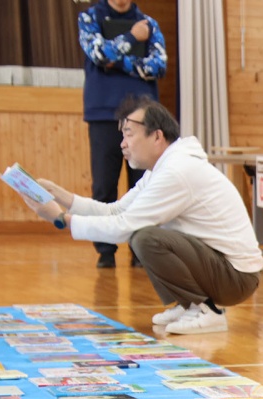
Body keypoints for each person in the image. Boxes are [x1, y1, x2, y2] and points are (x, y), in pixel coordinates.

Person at [15, 97, 263, 336]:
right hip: (223, 269)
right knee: (142, 235)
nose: (122, 144)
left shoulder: (176, 171)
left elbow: (122, 226)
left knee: (145, 238)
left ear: (157, 136)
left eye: (129, 134)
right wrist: (61, 195)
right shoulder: (162, 169)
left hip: (236, 278)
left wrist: (61, 219)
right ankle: (189, 304)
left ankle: (206, 310)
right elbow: (116, 211)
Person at [79, 0, 167, 269]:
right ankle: (105, 251)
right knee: (104, 185)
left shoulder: (149, 24)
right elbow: (98, 55)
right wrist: (131, 38)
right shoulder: (89, 18)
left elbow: (158, 66)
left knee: (143, 185)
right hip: (103, 114)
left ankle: (141, 250)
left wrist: (117, 60)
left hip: (143, 115)